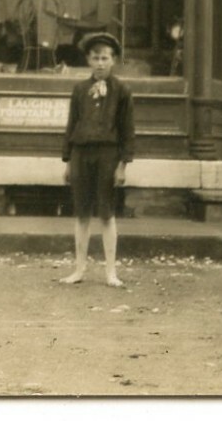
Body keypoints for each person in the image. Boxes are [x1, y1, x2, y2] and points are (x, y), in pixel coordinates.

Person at [59, 31, 135, 286]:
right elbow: (72, 126)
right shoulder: (80, 89)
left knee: (106, 213)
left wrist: (122, 165)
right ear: (88, 61)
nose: (100, 63)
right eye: (95, 58)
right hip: (81, 154)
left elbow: (127, 130)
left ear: (113, 60)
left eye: (105, 58)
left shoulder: (122, 91)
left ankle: (110, 272)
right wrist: (68, 160)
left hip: (108, 155)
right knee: (81, 212)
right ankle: (79, 269)